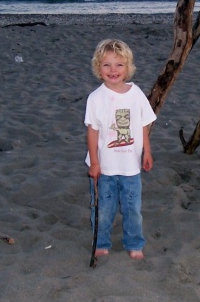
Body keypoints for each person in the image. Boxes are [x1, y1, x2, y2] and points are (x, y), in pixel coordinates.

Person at [84, 39, 156, 260]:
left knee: (132, 208)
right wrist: (95, 163)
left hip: (130, 166)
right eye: (106, 65)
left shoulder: (136, 94)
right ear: (98, 68)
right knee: (103, 209)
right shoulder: (95, 98)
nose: (113, 70)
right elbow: (93, 132)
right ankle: (102, 242)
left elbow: (144, 124)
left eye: (119, 65)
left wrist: (147, 151)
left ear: (128, 68)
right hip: (104, 167)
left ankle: (134, 243)